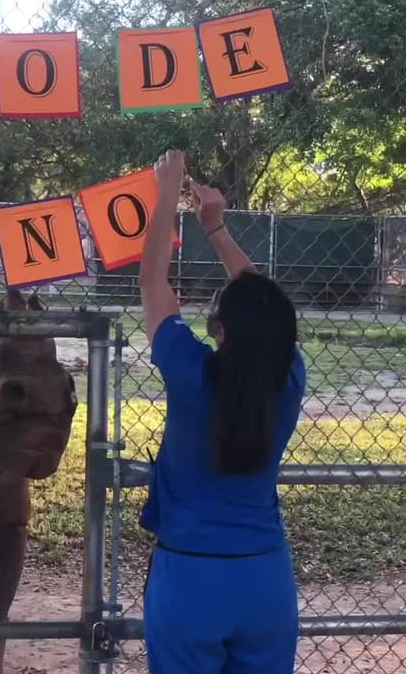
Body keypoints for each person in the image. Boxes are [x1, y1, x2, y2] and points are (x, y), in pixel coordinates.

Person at [137, 150, 306, 674]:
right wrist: (217, 229)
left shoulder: (191, 373)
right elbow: (262, 303)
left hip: (189, 578)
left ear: (220, 331)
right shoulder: (289, 380)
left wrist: (168, 198)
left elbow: (152, 284)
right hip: (265, 581)